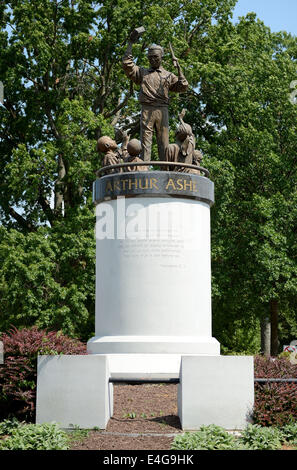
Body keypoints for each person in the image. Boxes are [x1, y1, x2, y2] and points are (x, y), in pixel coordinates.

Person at [122, 39, 188, 162]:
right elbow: (127, 65)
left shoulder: (169, 75)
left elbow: (183, 87)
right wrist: (131, 43)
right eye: (150, 57)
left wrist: (179, 69)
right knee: (145, 142)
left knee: (164, 143)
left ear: (161, 57)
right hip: (147, 109)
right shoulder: (142, 73)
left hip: (162, 110)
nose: (152, 59)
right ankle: (144, 168)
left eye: (155, 57)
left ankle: (165, 169)